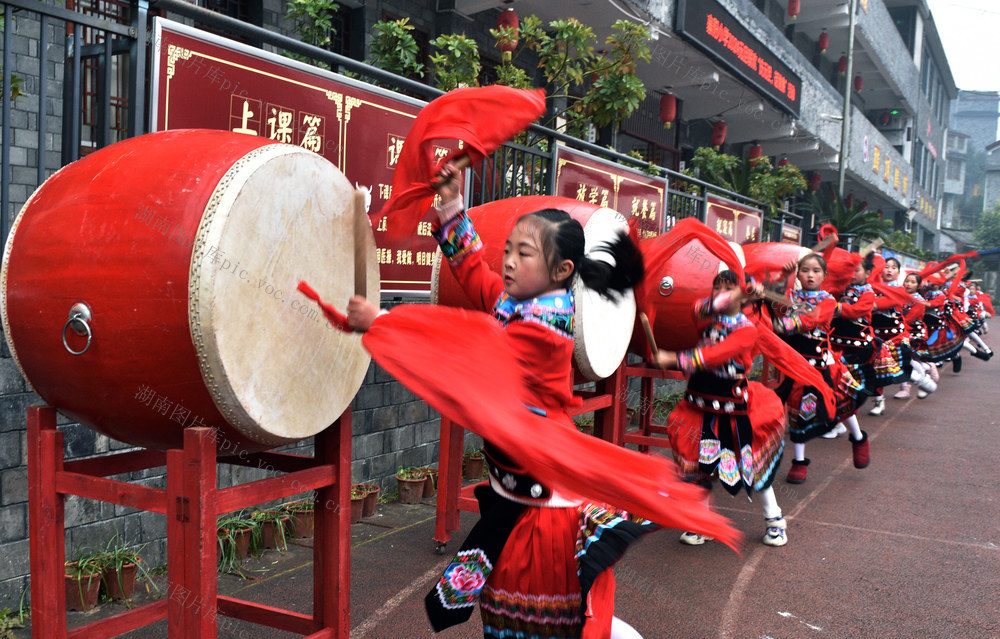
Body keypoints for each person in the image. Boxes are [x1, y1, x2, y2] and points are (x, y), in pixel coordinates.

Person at [348, 161, 654, 638]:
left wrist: (386, 324)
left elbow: (469, 349)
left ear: (561, 270)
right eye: (508, 249)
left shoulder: (543, 332)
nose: (508, 261)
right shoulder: (517, 307)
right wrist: (451, 206)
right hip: (518, 495)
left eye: (523, 254)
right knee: (534, 618)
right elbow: (474, 273)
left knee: (541, 620)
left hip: (542, 512)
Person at [653, 270, 789, 547]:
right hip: (698, 402)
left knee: (748, 464)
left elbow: (713, 355)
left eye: (730, 287)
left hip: (733, 408)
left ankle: (775, 520)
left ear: (744, 297)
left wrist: (672, 359)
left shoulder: (746, 330)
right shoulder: (705, 316)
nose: (722, 292)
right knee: (697, 462)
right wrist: (737, 291)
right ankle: (701, 523)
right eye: (717, 287)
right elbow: (699, 307)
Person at [770, 253, 868, 484]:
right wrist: (784, 274)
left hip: (821, 364)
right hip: (795, 364)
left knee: (842, 404)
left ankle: (858, 437)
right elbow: (772, 299)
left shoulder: (828, 301)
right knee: (797, 409)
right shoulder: (790, 296)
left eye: (816, 271)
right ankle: (799, 461)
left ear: (824, 275)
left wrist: (787, 324)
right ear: (798, 273)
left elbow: (812, 320)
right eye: (804, 270)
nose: (810, 275)